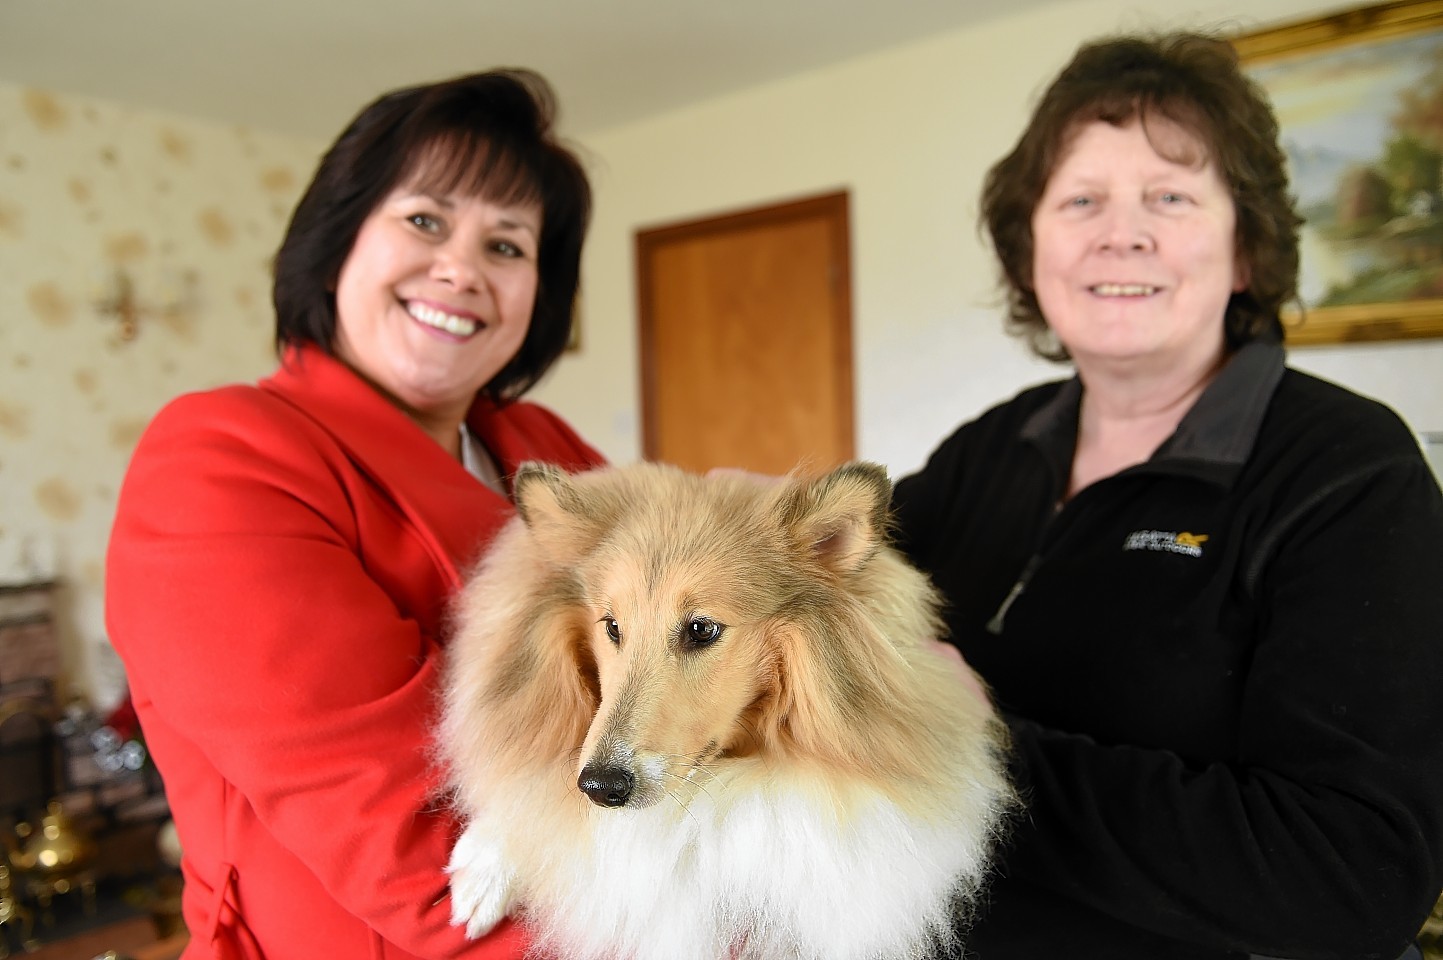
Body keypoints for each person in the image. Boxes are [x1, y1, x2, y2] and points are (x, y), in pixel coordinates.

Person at [890, 32, 1443, 959]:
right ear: (1031, 249)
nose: (1122, 231)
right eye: (1081, 200)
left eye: (1171, 197)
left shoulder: (1346, 470)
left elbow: (1355, 879)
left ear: (1244, 252)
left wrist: (988, 753)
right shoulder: (987, 448)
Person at [105, 70, 604, 959]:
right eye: (424, 220)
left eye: (508, 246)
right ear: (338, 240)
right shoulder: (224, 456)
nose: (460, 268)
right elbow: (429, 862)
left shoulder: (544, 445)